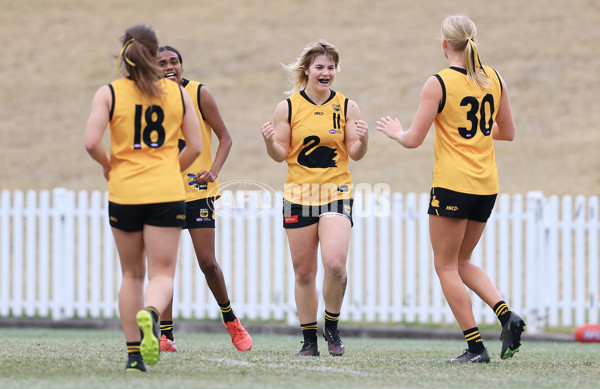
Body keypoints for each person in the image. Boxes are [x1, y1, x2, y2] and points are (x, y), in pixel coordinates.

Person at [377, 15, 525, 363]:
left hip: (453, 185)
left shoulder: (438, 83)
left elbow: (413, 140)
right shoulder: (494, 77)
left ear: (444, 45)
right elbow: (507, 132)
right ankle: (507, 316)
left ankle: (475, 347)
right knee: (462, 260)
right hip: (487, 185)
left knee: (445, 266)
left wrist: (396, 131)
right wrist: (473, 134)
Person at [84, 25, 203, 372]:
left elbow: (91, 142)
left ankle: (134, 354)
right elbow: (195, 146)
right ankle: (152, 313)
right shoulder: (177, 93)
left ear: (124, 55)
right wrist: (168, 169)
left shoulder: (109, 93)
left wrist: (109, 167)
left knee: (131, 275)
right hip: (166, 192)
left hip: (125, 191)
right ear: (155, 57)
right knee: (161, 274)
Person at [260, 41, 369, 356]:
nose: (326, 73)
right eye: (320, 67)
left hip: (336, 192)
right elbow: (281, 154)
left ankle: (332, 328)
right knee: (304, 272)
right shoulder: (288, 107)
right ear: (306, 70)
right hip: (299, 195)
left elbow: (355, 154)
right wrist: (269, 142)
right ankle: (309, 341)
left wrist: (365, 138)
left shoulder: (348, 106)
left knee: (335, 264)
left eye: (331, 67)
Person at [156, 45, 252, 352]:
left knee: (207, 262)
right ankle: (166, 335)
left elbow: (225, 137)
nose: (169, 66)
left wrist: (213, 171)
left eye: (174, 62)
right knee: (163, 266)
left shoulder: (199, 94)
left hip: (198, 192)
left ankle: (231, 321)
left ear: (182, 66)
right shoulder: (148, 100)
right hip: (162, 193)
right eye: (161, 63)